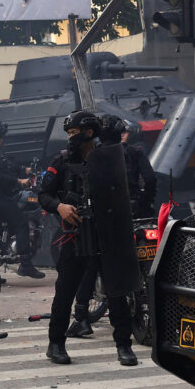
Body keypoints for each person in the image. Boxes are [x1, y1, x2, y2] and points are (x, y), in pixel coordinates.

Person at [39, 111, 138, 366]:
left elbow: (127, 192)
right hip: (75, 235)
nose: (71, 138)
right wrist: (59, 207)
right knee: (65, 292)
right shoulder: (61, 161)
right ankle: (56, 344)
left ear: (90, 133)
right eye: (69, 134)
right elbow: (44, 195)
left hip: (106, 234)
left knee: (116, 292)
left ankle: (124, 346)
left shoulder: (109, 158)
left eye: (74, 133)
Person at [65, 114, 157, 338]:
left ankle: (81, 318)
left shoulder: (95, 155)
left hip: (107, 217)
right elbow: (151, 180)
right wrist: (143, 204)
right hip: (137, 214)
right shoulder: (135, 152)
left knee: (94, 264)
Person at [0, 122, 45, 278]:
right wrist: (19, 181)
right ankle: (26, 265)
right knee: (20, 222)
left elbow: (8, 166)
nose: (2, 140)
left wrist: (26, 170)